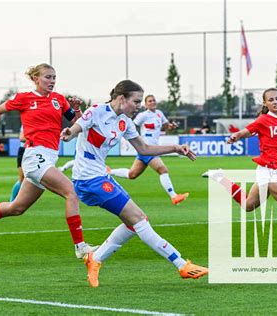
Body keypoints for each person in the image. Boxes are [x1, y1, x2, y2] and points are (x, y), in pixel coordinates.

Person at [61, 80, 208, 287]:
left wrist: (175, 148)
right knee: (139, 219)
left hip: (100, 177)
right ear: (121, 98)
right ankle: (182, 264)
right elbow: (76, 128)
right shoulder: (96, 111)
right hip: (88, 180)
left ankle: (95, 258)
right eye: (136, 101)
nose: (138, 105)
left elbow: (145, 149)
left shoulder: (125, 122)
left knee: (133, 223)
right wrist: (69, 133)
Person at [0, 63, 97, 259]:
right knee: (71, 192)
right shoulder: (24, 98)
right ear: (35, 79)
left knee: (17, 208)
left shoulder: (59, 100)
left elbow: (76, 125)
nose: (52, 81)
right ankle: (80, 246)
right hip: (34, 156)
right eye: (48, 77)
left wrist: (75, 110)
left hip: (48, 157)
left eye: (54, 77)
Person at [205, 87, 277, 253]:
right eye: (271, 100)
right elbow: (246, 131)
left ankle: (220, 178)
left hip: (270, 170)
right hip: (269, 169)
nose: (275, 102)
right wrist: (235, 136)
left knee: (248, 205)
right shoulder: (263, 120)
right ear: (265, 103)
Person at [109, 94, 189, 205]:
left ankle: (109, 171)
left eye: (154, 100)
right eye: (150, 101)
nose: (152, 102)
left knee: (132, 174)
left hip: (150, 149)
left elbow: (167, 127)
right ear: (146, 104)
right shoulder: (143, 115)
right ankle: (174, 196)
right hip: (147, 148)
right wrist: (128, 140)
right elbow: (131, 125)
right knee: (163, 170)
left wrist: (172, 126)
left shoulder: (159, 114)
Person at [9, 127, 26, 201]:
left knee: (27, 179)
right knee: (22, 179)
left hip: (33, 151)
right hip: (23, 151)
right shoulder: (26, 122)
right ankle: (12, 200)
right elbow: (22, 138)